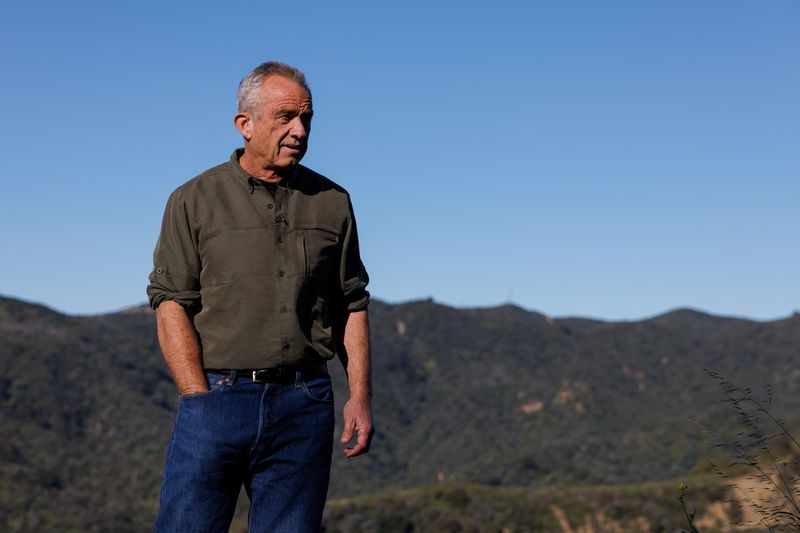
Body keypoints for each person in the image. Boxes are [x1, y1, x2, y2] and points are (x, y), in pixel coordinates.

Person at [146, 61, 373, 532]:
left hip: (304, 403)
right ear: (244, 124)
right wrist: (197, 398)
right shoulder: (193, 200)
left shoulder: (333, 202)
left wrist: (360, 397)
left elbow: (352, 303)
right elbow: (171, 303)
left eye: (306, 118)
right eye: (285, 116)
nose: (299, 129)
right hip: (218, 398)